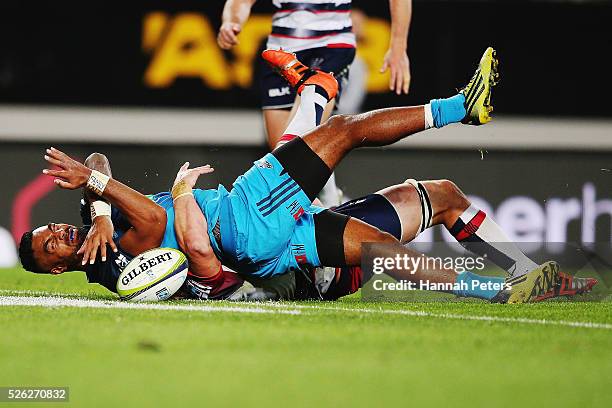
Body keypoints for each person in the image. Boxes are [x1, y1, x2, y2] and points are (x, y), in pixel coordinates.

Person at [18, 47, 562, 303]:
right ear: (57, 270)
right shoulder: (114, 266)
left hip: (274, 243)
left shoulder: (96, 227)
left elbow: (97, 165)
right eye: (51, 247)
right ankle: (459, 108)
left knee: (389, 247)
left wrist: (97, 208)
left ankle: (499, 285)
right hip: (245, 218)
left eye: (50, 229)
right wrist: (131, 197)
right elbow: (164, 222)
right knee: (343, 129)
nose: (58, 233)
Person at [218, 0, 413, 206]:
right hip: (280, 52)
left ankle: (325, 212)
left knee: (293, 149)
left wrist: (398, 46)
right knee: (283, 158)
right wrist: (231, 22)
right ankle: (329, 203)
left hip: (331, 47)